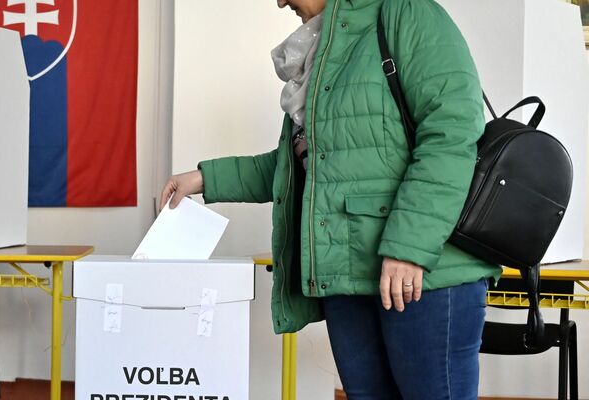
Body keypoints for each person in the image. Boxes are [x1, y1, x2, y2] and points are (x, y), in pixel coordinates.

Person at [160, 0, 503, 399]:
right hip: (345, 274)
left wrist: (408, 247)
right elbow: (299, 169)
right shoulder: (322, 52)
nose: (280, 2)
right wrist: (204, 179)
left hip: (425, 275)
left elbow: (451, 134)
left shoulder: (407, 13)